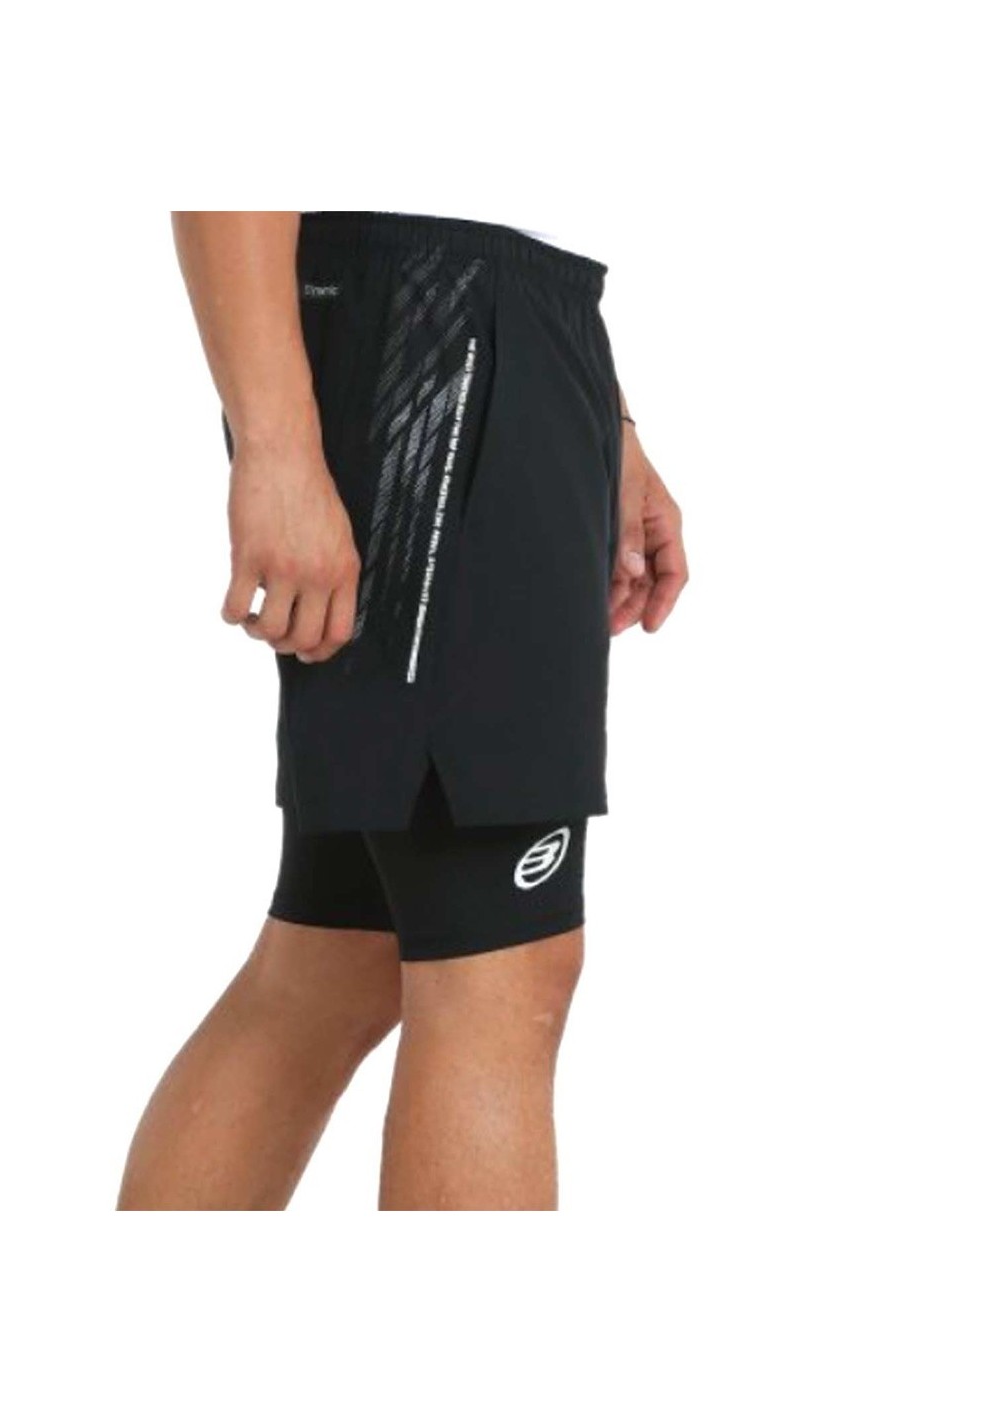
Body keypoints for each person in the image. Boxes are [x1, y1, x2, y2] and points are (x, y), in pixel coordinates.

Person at [117, 211, 689, 1211]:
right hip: (442, 335)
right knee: (500, 969)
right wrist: (275, 449)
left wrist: (609, 416)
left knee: (340, 957)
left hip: (509, 319)